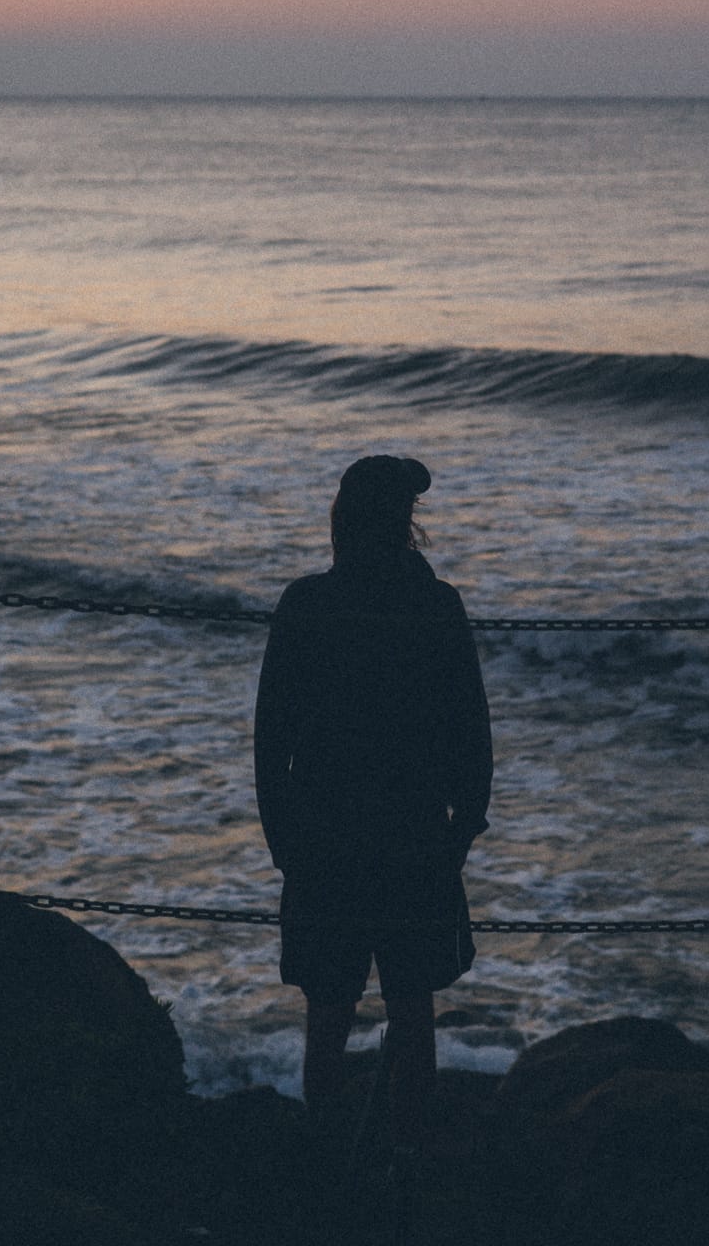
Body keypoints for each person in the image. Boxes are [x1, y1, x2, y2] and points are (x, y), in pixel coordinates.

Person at [254, 455, 492, 1152]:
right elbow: (471, 728)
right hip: (415, 835)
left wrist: (284, 838)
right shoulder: (436, 606)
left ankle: (326, 1155)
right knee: (412, 1004)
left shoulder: (306, 605)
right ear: (402, 528)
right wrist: (463, 827)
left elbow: (272, 737)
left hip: (324, 837)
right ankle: (406, 1155)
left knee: (328, 1007)